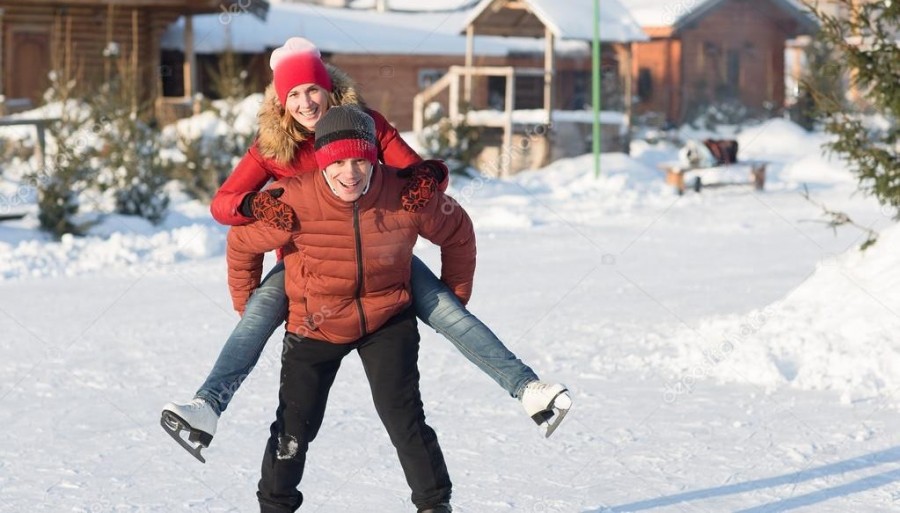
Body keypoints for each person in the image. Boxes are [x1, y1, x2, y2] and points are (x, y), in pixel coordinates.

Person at [160, 38, 571, 461]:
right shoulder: (272, 147)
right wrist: (252, 202)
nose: (305, 102)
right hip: (308, 266)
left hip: (382, 254)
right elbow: (221, 205)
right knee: (256, 315)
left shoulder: (365, 124)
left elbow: (419, 174)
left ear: (329, 88)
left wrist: (423, 181)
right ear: (282, 103)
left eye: (312, 90)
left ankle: (529, 390)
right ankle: (207, 407)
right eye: (294, 95)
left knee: (449, 312)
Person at [230, 105, 466, 512]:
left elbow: (458, 231)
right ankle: (275, 507)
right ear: (322, 160)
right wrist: (249, 306)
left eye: (360, 159)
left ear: (374, 157)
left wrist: (454, 296)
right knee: (294, 428)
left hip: (386, 318)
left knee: (404, 418)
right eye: (338, 161)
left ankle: (434, 506)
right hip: (313, 325)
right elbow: (241, 243)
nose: (350, 172)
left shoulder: (402, 193)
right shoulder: (293, 199)